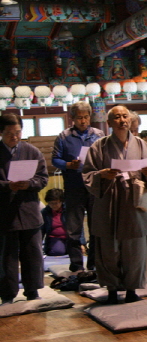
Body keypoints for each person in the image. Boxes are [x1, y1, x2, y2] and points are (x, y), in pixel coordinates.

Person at [82, 105, 147, 305]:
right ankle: (111, 288)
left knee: (135, 248)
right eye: (116, 117)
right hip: (108, 200)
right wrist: (102, 174)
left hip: (135, 201)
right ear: (109, 123)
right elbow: (88, 173)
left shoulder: (142, 145)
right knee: (108, 248)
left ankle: (132, 289)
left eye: (125, 116)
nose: (122, 120)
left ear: (131, 120)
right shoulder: (99, 146)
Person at [0, 113, 48, 305]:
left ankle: (32, 290)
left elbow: (43, 178)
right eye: (10, 133)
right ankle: (7, 294)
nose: (15, 137)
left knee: (32, 253)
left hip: (29, 210)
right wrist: (6, 186)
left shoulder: (32, 151)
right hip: (4, 213)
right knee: (7, 256)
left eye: (18, 132)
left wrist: (29, 184)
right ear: (1, 132)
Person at [52, 101, 104, 272]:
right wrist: (68, 165)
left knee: (97, 227)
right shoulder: (63, 136)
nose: (83, 121)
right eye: (79, 118)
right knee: (73, 228)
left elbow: (105, 156)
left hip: (95, 186)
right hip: (73, 186)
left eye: (86, 117)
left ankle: (94, 264)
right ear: (72, 118)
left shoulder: (98, 135)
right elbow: (55, 159)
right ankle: (76, 266)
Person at [41, 189, 68, 256]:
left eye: (56, 203)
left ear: (62, 201)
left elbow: (78, 227)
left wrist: (82, 243)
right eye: (51, 203)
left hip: (70, 238)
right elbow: (41, 230)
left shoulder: (69, 210)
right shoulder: (45, 212)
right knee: (58, 251)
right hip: (55, 238)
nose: (54, 205)